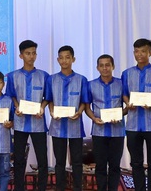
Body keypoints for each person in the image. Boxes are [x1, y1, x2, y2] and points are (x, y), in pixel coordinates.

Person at [122, 38, 151, 191]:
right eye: (136, 51)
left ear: (150, 52)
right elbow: (124, 94)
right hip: (133, 125)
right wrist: (128, 102)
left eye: (143, 51)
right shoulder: (126, 73)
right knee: (136, 162)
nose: (139, 54)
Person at [44, 45, 90, 191]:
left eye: (67, 57)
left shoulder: (81, 79)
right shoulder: (51, 79)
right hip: (57, 127)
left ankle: (77, 188)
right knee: (59, 162)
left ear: (73, 59)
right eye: (61, 58)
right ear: (58, 60)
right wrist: (51, 112)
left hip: (75, 125)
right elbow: (49, 99)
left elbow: (84, 101)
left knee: (77, 162)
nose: (64, 60)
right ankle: (60, 188)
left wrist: (79, 112)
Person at [5, 40, 49, 191]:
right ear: (21, 55)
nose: (31, 56)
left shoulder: (44, 76)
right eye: (27, 53)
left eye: (33, 53)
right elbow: (10, 96)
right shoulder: (12, 76)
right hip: (20, 123)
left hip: (38, 124)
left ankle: (42, 188)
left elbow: (47, 98)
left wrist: (42, 108)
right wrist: (16, 107)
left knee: (43, 160)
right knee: (18, 160)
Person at [84, 54, 125, 191]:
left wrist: (120, 115)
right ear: (97, 68)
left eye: (107, 65)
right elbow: (87, 107)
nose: (105, 68)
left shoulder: (121, 84)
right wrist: (94, 119)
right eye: (101, 65)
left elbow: (128, 106)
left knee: (114, 166)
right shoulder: (91, 85)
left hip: (117, 131)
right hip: (99, 131)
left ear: (113, 66)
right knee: (100, 166)